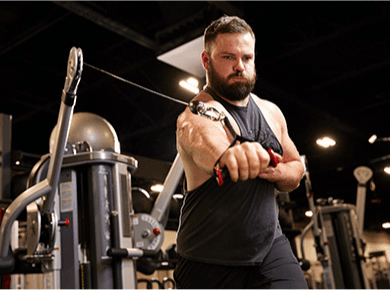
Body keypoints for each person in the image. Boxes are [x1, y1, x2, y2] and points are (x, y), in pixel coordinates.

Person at [174, 15, 308, 289]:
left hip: (269, 248)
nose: (239, 66)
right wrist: (227, 156)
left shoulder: (271, 112)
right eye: (227, 57)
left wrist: (274, 171)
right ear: (206, 60)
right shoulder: (196, 112)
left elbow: (296, 167)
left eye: (247, 58)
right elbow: (201, 137)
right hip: (207, 258)